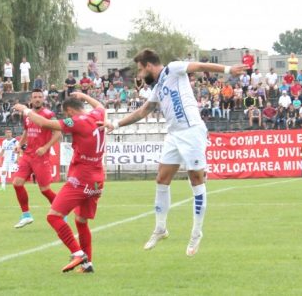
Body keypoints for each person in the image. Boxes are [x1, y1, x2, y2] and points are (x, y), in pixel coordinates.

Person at [102, 49, 246, 256]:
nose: (141, 75)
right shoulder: (158, 87)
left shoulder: (173, 68)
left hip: (192, 131)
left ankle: (196, 232)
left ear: (149, 65)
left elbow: (200, 66)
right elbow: (143, 111)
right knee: (162, 178)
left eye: (141, 70)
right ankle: (160, 228)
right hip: (174, 134)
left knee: (196, 179)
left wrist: (228, 69)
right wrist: (115, 124)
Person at [13, 92, 106, 273]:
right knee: (81, 221)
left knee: (53, 216)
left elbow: (45, 124)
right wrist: (84, 95)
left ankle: (77, 253)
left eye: (66, 115)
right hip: (97, 179)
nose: (66, 118)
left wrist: (25, 110)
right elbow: (100, 105)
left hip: (81, 178)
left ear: (70, 111)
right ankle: (87, 264)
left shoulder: (77, 121)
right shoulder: (97, 115)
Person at [12, 89, 62, 228]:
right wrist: (19, 144)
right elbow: (27, 131)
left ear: (43, 99)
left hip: (41, 157)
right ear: (31, 99)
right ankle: (26, 215)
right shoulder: (27, 115)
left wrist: (46, 148)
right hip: (28, 155)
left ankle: (61, 212)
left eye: (40, 97)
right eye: (35, 97)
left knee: (45, 190)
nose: (38, 99)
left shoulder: (49, 115)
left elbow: (58, 133)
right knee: (17, 183)